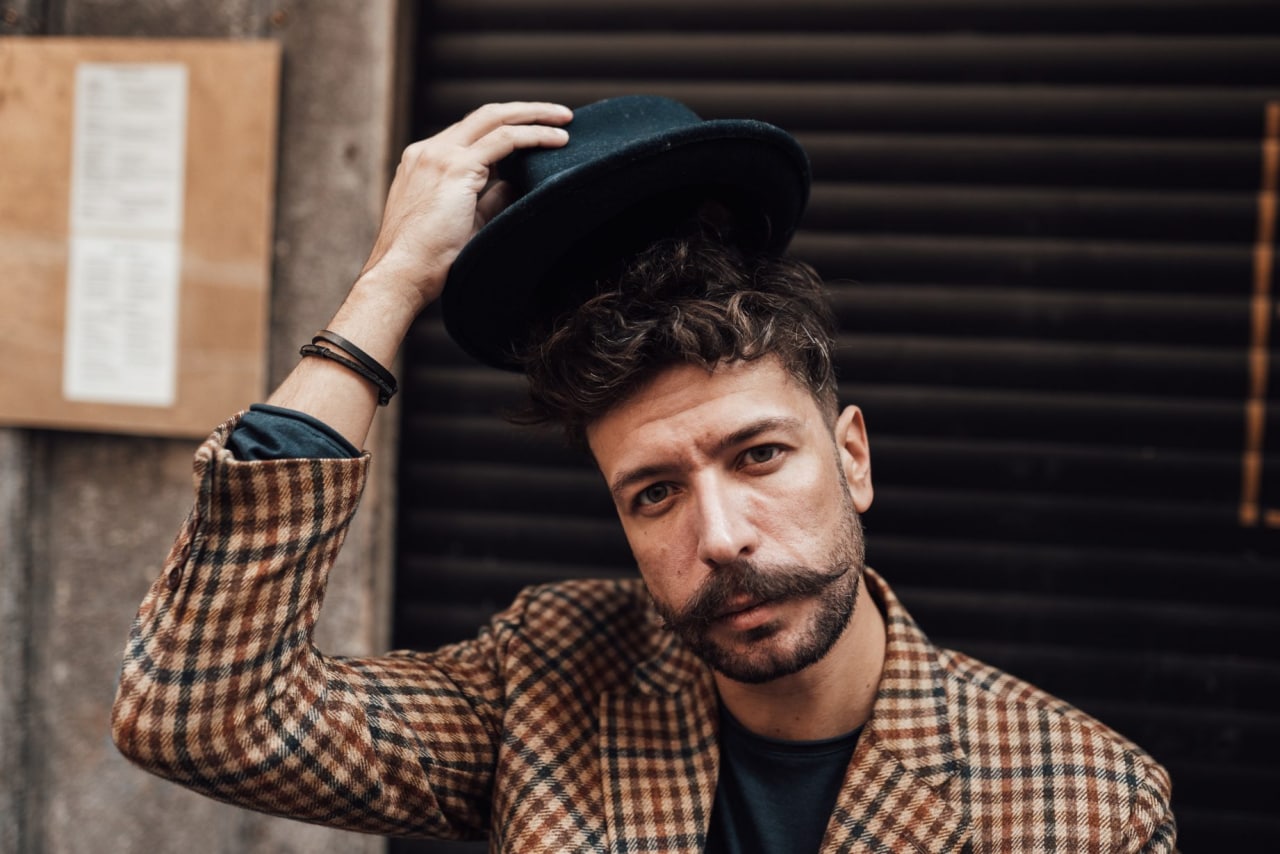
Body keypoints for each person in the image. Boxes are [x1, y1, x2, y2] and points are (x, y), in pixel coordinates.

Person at [112, 99, 1177, 852]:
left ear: (850, 455)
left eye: (759, 455)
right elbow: (198, 712)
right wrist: (385, 291)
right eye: (654, 491)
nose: (720, 537)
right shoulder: (546, 682)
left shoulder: (1085, 803)